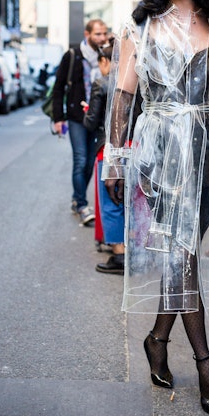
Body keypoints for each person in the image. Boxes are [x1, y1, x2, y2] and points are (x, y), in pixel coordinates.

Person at [102, 0, 209, 416]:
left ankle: (156, 338)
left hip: (205, 153)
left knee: (179, 254)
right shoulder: (140, 25)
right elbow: (124, 96)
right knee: (183, 254)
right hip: (160, 153)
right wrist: (115, 157)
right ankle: (206, 364)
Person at [52, 19, 108, 225]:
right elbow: (58, 88)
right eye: (98, 34)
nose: (102, 38)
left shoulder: (107, 56)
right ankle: (83, 205)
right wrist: (58, 118)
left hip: (96, 118)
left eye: (104, 33)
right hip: (76, 117)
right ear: (87, 34)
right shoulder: (73, 56)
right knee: (80, 159)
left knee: (89, 163)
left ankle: (77, 199)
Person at [83, 38, 125, 274]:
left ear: (105, 60)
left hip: (108, 147)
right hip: (134, 145)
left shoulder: (102, 83)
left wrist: (87, 111)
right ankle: (128, 248)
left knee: (111, 202)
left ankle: (119, 254)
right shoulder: (137, 81)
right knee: (128, 200)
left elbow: (91, 124)